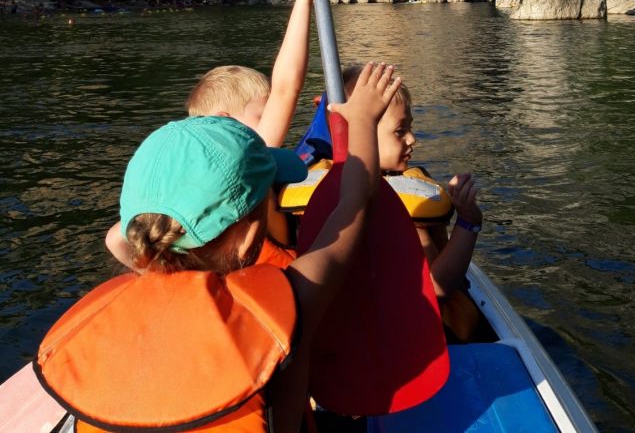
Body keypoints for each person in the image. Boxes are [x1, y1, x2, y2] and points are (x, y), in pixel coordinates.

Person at [35, 62, 402, 433]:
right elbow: (356, 201)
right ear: (247, 237)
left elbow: (116, 236)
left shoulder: (118, 297)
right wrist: (362, 122)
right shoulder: (294, 303)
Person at [104, 0, 327, 269]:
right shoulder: (242, 154)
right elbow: (286, 88)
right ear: (224, 120)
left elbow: (115, 238)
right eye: (260, 115)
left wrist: (143, 269)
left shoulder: (170, 213)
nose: (272, 122)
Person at [284, 66, 488, 342]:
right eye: (400, 130)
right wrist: (468, 223)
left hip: (347, 334)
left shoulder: (323, 193)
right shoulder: (403, 207)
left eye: (411, 127)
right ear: (359, 132)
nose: (412, 139)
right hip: (414, 338)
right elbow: (437, 286)